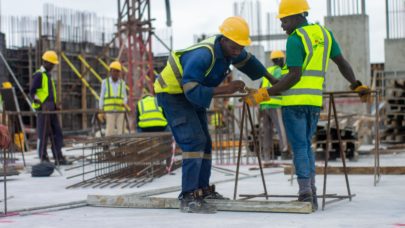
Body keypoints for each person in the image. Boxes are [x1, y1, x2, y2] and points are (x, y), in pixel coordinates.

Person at [245, 0, 370, 211]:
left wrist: (264, 94)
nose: (282, 26)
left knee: (300, 148)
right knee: (306, 146)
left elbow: (294, 76)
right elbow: (342, 62)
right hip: (313, 102)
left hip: (294, 102)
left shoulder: (295, 39)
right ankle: (310, 191)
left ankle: (305, 195)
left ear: (296, 16)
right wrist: (356, 85)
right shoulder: (325, 34)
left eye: (284, 20)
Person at [154, 16, 277, 214]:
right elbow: (191, 89)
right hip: (173, 95)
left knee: (206, 143)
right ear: (224, 39)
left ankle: (203, 191)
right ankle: (188, 196)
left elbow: (249, 62)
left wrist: (272, 79)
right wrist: (227, 88)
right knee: (194, 142)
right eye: (235, 47)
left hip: (189, 94)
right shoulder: (203, 55)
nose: (238, 51)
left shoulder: (231, 49)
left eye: (240, 46)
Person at [30, 50, 69, 165]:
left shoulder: (48, 75)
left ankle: (58, 156)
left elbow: (49, 93)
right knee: (43, 134)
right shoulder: (39, 75)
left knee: (57, 132)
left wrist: (55, 105)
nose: (53, 66)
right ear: (45, 62)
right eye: (51, 64)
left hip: (51, 108)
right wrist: (40, 103)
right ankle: (43, 157)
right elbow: (32, 92)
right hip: (44, 109)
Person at [259, 50, 288, 161]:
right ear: (280, 59)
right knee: (281, 128)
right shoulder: (279, 71)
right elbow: (282, 85)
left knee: (266, 131)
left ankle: (266, 155)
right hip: (275, 104)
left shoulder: (267, 71)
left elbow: (261, 87)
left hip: (264, 105)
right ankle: (284, 152)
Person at [98, 61, 128, 136]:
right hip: (109, 110)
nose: (116, 73)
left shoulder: (122, 83)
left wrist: (124, 102)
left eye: (117, 71)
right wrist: (101, 109)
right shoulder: (105, 82)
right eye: (114, 71)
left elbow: (125, 96)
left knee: (121, 130)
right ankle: (108, 145)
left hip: (120, 110)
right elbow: (102, 96)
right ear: (110, 71)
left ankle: (120, 145)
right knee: (110, 130)